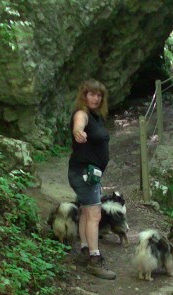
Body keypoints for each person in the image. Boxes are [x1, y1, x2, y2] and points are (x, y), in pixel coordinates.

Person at [68, 78, 116, 280]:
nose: (95, 98)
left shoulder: (96, 117)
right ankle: (95, 260)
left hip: (90, 174)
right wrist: (78, 132)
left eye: (98, 95)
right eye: (91, 94)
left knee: (87, 213)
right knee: (95, 215)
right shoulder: (82, 114)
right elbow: (79, 125)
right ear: (84, 95)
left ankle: (85, 250)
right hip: (83, 173)